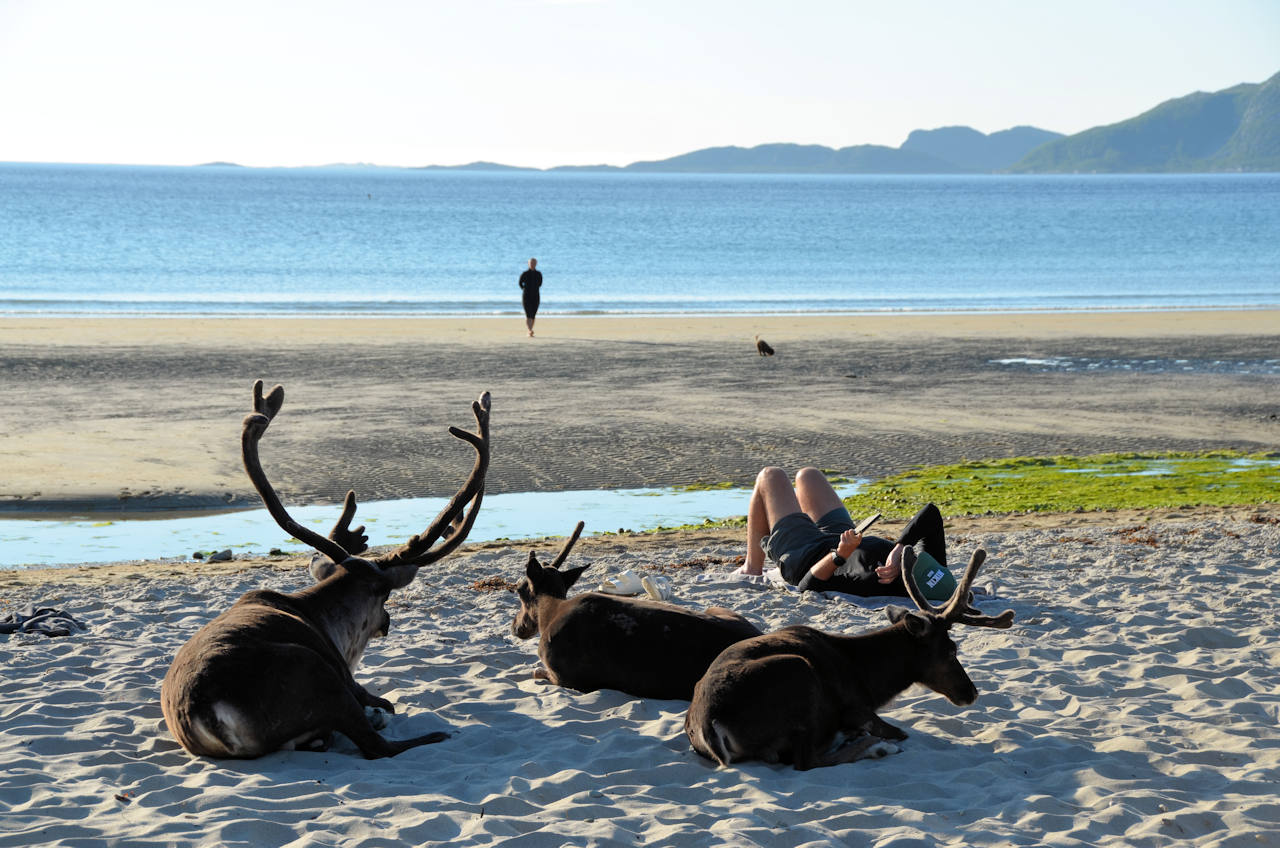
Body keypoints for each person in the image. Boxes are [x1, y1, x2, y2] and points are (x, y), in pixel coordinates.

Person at [733, 466, 953, 597]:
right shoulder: (935, 571)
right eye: (919, 561)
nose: (915, 560)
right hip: (844, 535)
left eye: (913, 567)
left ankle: (752, 568)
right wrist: (900, 548)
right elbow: (930, 513)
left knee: (770, 476)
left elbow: (807, 585)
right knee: (808, 476)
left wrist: (839, 555)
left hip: (806, 556)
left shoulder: (875, 579)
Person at [519, 258, 542, 337]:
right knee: (528, 314)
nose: (532, 264)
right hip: (526, 296)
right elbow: (520, 283)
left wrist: (534, 289)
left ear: (536, 264)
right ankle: (530, 330)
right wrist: (525, 289)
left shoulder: (538, 274)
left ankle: (530, 330)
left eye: (534, 263)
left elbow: (540, 283)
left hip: (536, 296)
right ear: (528, 264)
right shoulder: (525, 273)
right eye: (531, 263)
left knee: (533, 315)